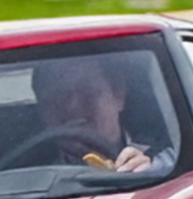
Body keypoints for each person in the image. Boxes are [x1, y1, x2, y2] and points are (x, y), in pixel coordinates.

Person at [29, 56, 176, 175]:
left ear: (118, 95)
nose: (72, 107)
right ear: (41, 109)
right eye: (57, 98)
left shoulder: (169, 163)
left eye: (86, 92)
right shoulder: (26, 182)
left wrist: (150, 175)